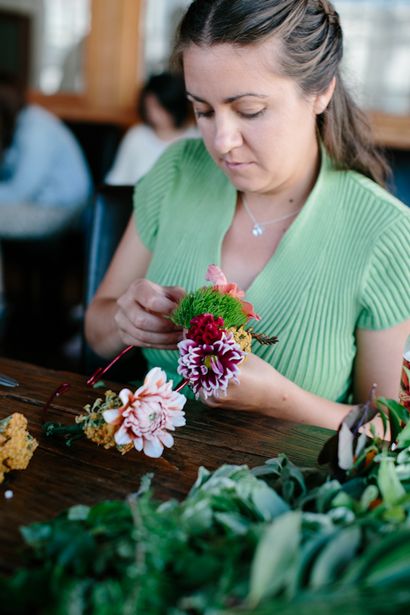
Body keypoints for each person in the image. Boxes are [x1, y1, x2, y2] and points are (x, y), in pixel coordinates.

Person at [85, 0, 410, 432]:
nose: (221, 141)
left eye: (250, 111)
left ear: (321, 91)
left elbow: (389, 432)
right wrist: (127, 322)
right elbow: (96, 329)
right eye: (202, 110)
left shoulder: (383, 231)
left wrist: (282, 401)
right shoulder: (179, 170)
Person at [105, 71, 197, 185]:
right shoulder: (137, 136)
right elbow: (115, 182)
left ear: (175, 107)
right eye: (149, 107)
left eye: (159, 108)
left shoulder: (196, 140)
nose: (153, 114)